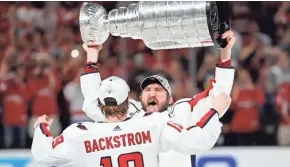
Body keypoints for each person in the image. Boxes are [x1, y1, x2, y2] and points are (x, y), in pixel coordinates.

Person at [80, 31, 236, 167]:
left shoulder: (184, 110)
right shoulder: (129, 113)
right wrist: (92, 56)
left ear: (170, 99)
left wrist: (225, 52)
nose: (152, 93)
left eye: (158, 90)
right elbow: (95, 103)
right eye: (147, 90)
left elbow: (220, 96)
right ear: (140, 97)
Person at [31, 76, 231, 167]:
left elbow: (43, 153)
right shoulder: (151, 124)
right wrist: (214, 111)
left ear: (99, 105)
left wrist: (41, 127)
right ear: (129, 100)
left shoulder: (79, 133)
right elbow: (198, 139)